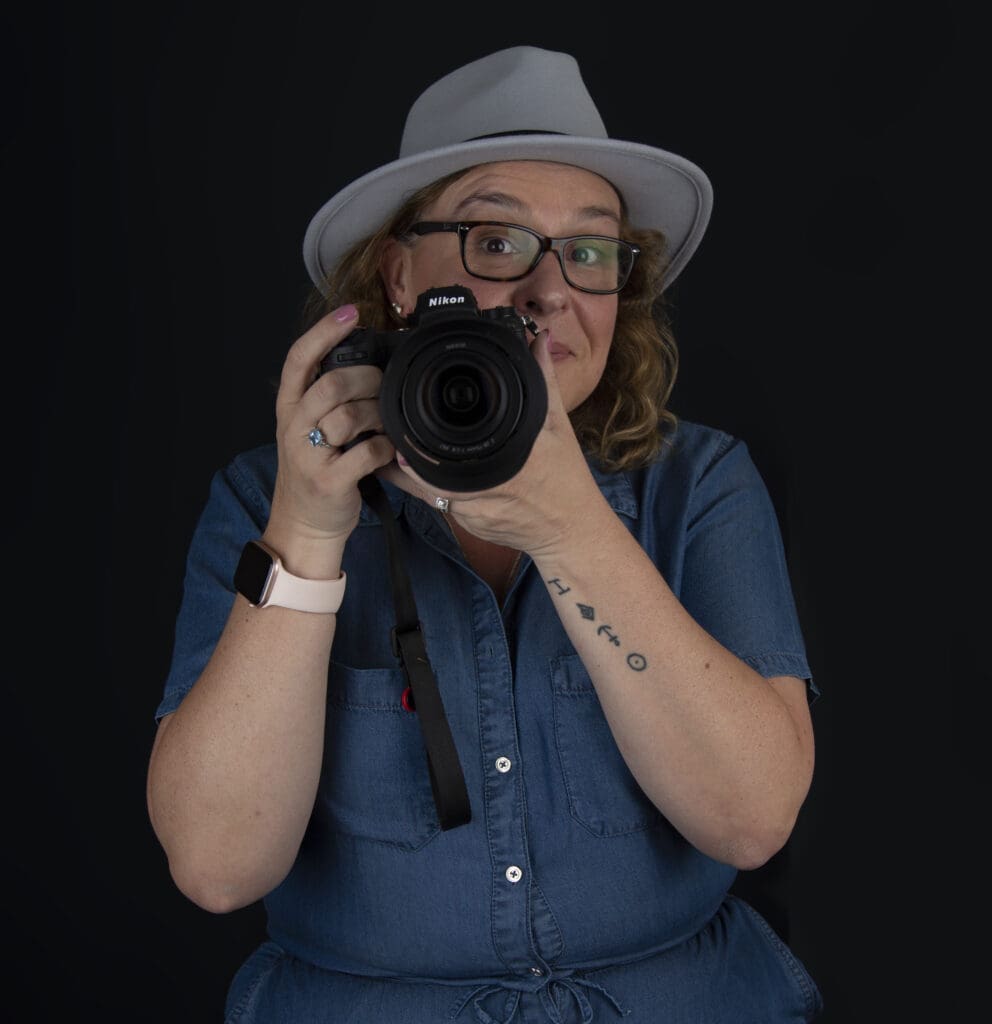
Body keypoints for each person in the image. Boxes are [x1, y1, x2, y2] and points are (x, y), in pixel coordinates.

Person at [147, 45, 823, 1024]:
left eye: (589, 251)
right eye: (495, 240)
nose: (549, 290)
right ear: (398, 273)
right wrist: (306, 538)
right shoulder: (267, 495)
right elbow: (216, 864)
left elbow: (751, 818)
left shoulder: (695, 482)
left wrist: (570, 526)